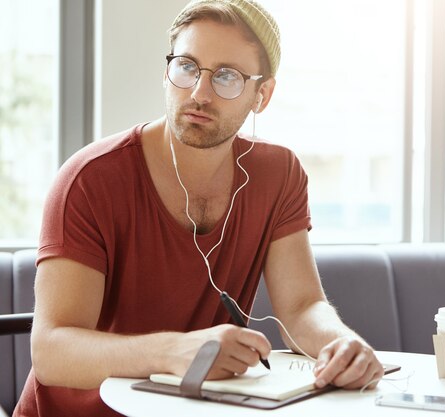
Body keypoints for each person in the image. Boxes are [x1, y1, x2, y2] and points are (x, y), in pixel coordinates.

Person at [13, 1, 383, 416]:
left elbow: (301, 307)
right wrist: (173, 350)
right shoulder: (91, 178)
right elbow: (51, 351)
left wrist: (340, 344)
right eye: (187, 66)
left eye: (227, 76)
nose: (199, 93)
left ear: (262, 95)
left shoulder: (278, 174)